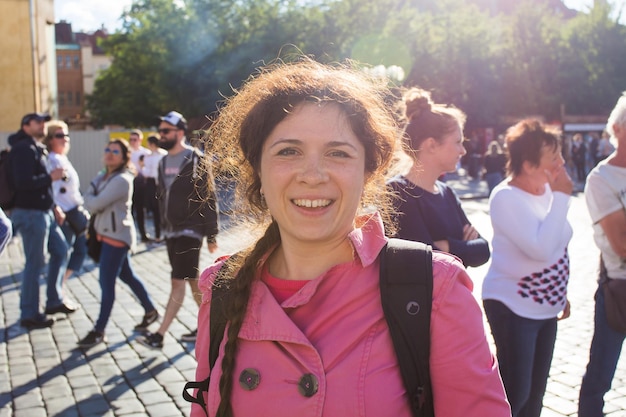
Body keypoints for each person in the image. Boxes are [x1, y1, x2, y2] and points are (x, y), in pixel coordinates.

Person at [190, 60, 510, 416]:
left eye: (338, 153)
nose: (312, 175)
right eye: (288, 151)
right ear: (258, 171)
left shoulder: (436, 291)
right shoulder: (221, 289)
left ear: (368, 172)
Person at [482, 119, 573, 417]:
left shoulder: (546, 191)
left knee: (535, 394)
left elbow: (558, 242)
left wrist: (560, 291)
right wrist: (562, 197)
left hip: (545, 307)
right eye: (554, 157)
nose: (561, 162)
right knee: (515, 392)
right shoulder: (506, 197)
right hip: (513, 306)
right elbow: (541, 248)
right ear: (530, 164)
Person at [137, 111, 219, 349]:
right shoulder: (162, 162)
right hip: (172, 231)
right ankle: (212, 325)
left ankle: (160, 334)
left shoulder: (195, 160)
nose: (161, 135)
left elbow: (209, 196)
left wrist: (212, 233)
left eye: (166, 131)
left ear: (179, 133)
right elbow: (161, 196)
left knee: (177, 282)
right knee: (193, 281)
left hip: (190, 231)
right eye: (160, 131)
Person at [387, 87, 490, 268]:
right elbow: (425, 262)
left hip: (455, 295)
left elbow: (483, 251)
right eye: (458, 142)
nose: (463, 151)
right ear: (432, 145)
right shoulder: (397, 192)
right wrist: (463, 246)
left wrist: (447, 246)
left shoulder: (447, 192)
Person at [77, 139, 159, 348]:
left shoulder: (122, 179)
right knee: (128, 276)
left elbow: (94, 203)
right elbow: (90, 197)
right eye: (107, 149)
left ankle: (99, 330)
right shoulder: (103, 176)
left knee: (106, 284)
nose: (110, 153)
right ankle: (150, 310)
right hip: (106, 236)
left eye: (115, 151)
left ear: (124, 157)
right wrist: (91, 196)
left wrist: (91, 197)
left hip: (117, 238)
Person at [578, 92, 626, 417]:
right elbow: (622, 243)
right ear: (618, 128)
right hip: (619, 290)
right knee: (600, 377)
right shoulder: (601, 178)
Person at [8, 112, 76, 330]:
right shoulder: (23, 149)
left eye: (43, 122)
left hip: (43, 211)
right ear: (26, 125)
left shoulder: (34, 147)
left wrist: (53, 205)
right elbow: (24, 183)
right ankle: (29, 313)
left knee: (61, 250)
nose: (42, 126)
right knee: (34, 264)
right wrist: (51, 177)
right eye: (38, 122)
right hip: (30, 213)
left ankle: (53, 300)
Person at [44, 120, 88, 298]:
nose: (65, 139)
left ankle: (59, 287)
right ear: (50, 139)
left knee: (79, 251)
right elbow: (51, 188)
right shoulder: (52, 159)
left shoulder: (62, 158)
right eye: (60, 135)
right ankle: (55, 294)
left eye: (66, 135)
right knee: (63, 254)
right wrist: (56, 208)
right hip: (64, 214)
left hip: (73, 211)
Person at [141, 134, 166, 242]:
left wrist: (141, 166)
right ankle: (164, 234)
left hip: (154, 184)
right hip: (162, 183)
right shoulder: (164, 154)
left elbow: (146, 173)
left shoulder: (149, 157)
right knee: (162, 210)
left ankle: (158, 235)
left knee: (157, 211)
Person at [129, 129, 151, 242]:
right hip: (129, 182)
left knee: (141, 209)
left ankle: (143, 234)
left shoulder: (146, 153)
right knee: (129, 210)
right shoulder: (127, 152)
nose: (132, 142)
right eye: (131, 139)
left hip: (141, 183)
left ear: (140, 140)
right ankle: (130, 235)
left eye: (135, 139)